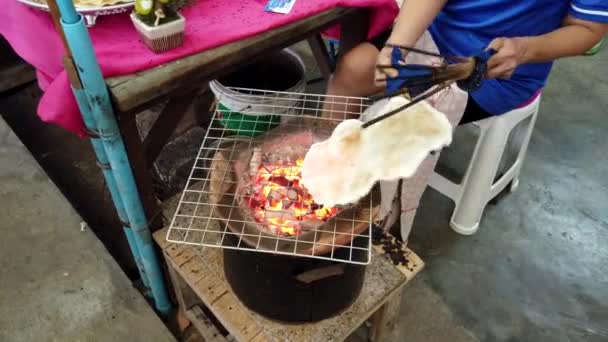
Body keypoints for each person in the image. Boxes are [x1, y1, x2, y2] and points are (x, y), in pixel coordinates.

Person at [327, 0, 608, 124]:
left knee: (395, 128)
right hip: (433, 35)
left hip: (497, 71)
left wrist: (523, 50)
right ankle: (317, 171)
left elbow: (588, 30)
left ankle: (365, 214)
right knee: (354, 68)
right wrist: (398, 44)